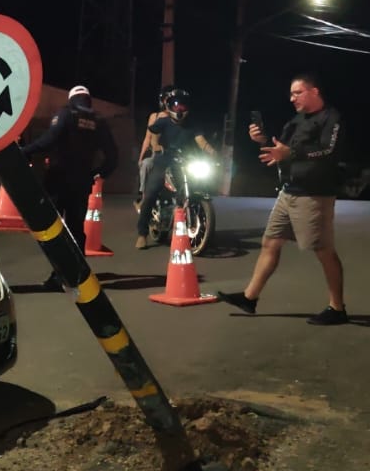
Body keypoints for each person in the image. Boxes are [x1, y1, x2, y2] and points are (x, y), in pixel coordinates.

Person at [221, 73, 349, 324]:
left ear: (314, 91)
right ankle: (249, 298)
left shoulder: (332, 118)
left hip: (313, 195)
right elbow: (282, 148)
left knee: (323, 250)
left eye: (297, 93)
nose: (292, 98)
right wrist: (262, 141)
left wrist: (290, 152)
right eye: (291, 94)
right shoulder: (296, 121)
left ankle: (337, 308)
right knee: (270, 242)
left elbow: (328, 150)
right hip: (288, 192)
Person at [21, 84, 119, 289]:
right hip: (82, 181)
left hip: (58, 178)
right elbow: (113, 156)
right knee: (76, 227)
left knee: (54, 227)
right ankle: (78, 274)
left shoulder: (66, 114)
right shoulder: (99, 121)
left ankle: (58, 275)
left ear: (71, 99)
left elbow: (49, 140)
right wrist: (98, 173)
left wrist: (25, 151)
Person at [135, 88, 216, 250]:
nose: (179, 109)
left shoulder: (192, 124)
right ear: (170, 106)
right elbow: (153, 134)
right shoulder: (163, 121)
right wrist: (156, 146)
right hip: (163, 161)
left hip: (184, 161)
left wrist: (214, 154)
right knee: (150, 193)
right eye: (176, 105)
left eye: (182, 106)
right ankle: (142, 234)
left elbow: (202, 142)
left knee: (194, 185)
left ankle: (188, 218)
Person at [134, 84, 181, 211]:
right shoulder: (154, 117)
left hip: (177, 157)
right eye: (167, 98)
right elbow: (147, 138)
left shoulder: (180, 118)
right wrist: (141, 157)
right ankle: (143, 197)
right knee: (145, 164)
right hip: (159, 156)